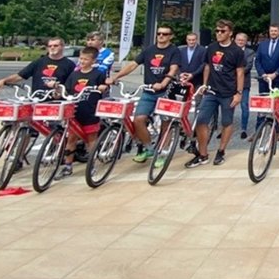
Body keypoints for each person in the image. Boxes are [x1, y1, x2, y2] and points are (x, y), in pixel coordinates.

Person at [107, 25, 181, 162]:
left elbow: (173, 69)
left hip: (166, 91)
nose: (161, 36)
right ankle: (149, 148)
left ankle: (163, 153)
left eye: (165, 34)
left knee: (166, 123)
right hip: (148, 91)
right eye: (159, 33)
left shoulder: (174, 51)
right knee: (138, 120)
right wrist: (116, 77)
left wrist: (163, 83)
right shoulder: (149, 50)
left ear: (171, 36)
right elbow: (133, 65)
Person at [186, 20, 245, 168]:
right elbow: (207, 66)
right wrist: (205, 84)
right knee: (201, 121)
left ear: (230, 32)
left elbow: (240, 72)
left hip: (228, 93)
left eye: (222, 31)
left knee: (227, 122)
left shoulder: (237, 51)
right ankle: (203, 154)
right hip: (211, 91)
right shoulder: (211, 47)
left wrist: (238, 93)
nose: (219, 33)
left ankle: (221, 151)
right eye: (217, 31)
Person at [55, 47, 108, 179]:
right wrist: (58, 91)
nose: (82, 61)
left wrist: (102, 87)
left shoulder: (98, 74)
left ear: (93, 60)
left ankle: (92, 165)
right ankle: (68, 166)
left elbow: (104, 87)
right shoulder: (74, 74)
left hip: (90, 111)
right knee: (71, 138)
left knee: (91, 139)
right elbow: (67, 90)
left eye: (86, 59)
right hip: (75, 111)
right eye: (81, 58)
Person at [0, 37, 76, 94]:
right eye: (50, 46)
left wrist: (59, 89)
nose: (52, 47)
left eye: (55, 45)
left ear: (62, 47)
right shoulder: (38, 62)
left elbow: (72, 85)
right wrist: (3, 81)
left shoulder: (69, 65)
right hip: (37, 100)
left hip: (59, 103)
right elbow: (20, 76)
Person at [235, 32, 256, 139]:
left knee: (244, 106)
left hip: (244, 83)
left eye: (242, 40)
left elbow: (248, 66)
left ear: (245, 41)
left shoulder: (250, 52)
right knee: (228, 106)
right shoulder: (230, 50)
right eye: (238, 40)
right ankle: (226, 127)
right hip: (229, 83)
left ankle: (243, 128)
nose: (240, 42)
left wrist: (235, 72)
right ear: (235, 40)